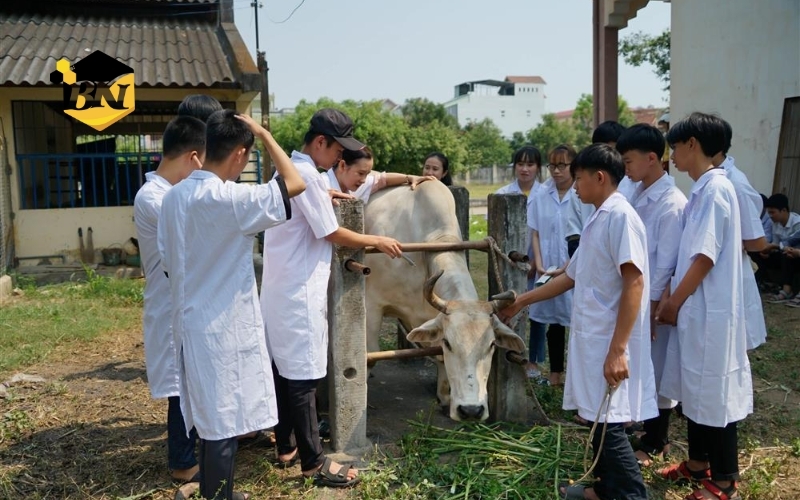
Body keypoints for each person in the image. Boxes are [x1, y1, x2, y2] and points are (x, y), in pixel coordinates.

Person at [158, 110, 306, 500]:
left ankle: (213, 491)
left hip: (188, 321)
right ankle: (219, 496)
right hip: (222, 326)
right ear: (240, 154)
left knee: (209, 416)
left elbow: (167, 261)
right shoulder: (232, 198)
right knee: (223, 419)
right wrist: (266, 135)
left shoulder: (173, 196)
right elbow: (295, 182)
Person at [498, 143, 656, 500]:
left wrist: (618, 350)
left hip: (609, 338)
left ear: (599, 178)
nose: (574, 184)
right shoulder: (598, 217)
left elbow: (635, 281)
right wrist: (520, 302)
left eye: (579, 177)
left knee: (610, 422)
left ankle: (632, 495)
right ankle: (603, 490)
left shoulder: (621, 217)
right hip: (592, 336)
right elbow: (570, 277)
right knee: (598, 417)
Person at [260, 108, 402, 489]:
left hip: (280, 288)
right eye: (338, 151)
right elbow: (331, 232)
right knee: (304, 377)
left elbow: (309, 203)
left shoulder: (293, 170)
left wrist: (326, 193)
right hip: (298, 290)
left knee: (284, 371)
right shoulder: (305, 174)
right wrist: (377, 240)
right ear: (320, 142)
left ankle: (287, 446)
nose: (340, 159)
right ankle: (313, 462)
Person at [656, 112, 752, 500]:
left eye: (675, 147)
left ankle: (725, 478)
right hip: (698, 310)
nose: (673, 156)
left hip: (707, 311)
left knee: (713, 390)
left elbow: (704, 257)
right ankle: (698, 462)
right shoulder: (704, 189)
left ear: (692, 144)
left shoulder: (716, 190)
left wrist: (674, 302)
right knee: (693, 386)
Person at [134, 115, 206, 488]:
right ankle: (182, 463)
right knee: (179, 385)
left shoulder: (166, 194)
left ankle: (192, 452)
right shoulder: (155, 198)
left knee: (189, 378)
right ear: (194, 157)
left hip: (181, 302)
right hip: (169, 305)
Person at [616, 124, 687, 467]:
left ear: (652, 158)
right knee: (643, 365)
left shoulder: (672, 202)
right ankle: (643, 426)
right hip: (640, 296)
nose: (625, 168)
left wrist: (656, 305)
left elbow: (668, 262)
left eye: (628, 160)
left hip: (655, 299)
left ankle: (658, 439)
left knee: (658, 370)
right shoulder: (637, 191)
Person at [710, 118, 769, 350]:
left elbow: (757, 241)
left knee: (733, 348)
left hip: (730, 270)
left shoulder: (736, 183)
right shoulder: (709, 180)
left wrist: (729, 241)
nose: (673, 154)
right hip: (716, 275)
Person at [527, 144, 578, 386]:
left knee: (577, 321)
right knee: (553, 321)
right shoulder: (541, 194)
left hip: (574, 267)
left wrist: (569, 264)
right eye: (553, 166)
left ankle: (576, 376)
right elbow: (535, 231)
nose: (556, 172)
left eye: (562, 166)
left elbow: (583, 235)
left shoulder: (582, 195)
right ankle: (555, 374)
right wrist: (538, 262)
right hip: (547, 266)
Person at [495, 145, 544, 378]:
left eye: (530, 164)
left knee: (537, 314)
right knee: (509, 310)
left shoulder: (545, 195)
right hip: (509, 264)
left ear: (537, 167)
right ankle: (507, 354)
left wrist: (536, 263)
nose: (525, 169)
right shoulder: (502, 193)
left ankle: (533, 360)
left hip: (537, 265)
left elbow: (547, 233)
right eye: (520, 164)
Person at [564, 121, 628, 258]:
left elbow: (632, 276)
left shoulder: (623, 209)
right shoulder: (578, 190)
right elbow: (574, 236)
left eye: (615, 151)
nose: (609, 157)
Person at [324, 146, 435, 202]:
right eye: (361, 173)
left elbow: (382, 179)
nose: (363, 180)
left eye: (367, 174)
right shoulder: (321, 186)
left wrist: (409, 177)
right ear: (343, 166)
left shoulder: (357, 185)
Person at [757, 193, 800, 303]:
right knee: (759, 253)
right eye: (769, 212)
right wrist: (768, 250)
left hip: (794, 256)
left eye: (773, 212)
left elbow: (790, 242)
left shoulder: (797, 223)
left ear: (784, 210)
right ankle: (765, 282)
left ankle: (787, 291)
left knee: (787, 254)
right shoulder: (775, 223)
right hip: (788, 253)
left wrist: (776, 247)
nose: (770, 216)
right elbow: (778, 244)